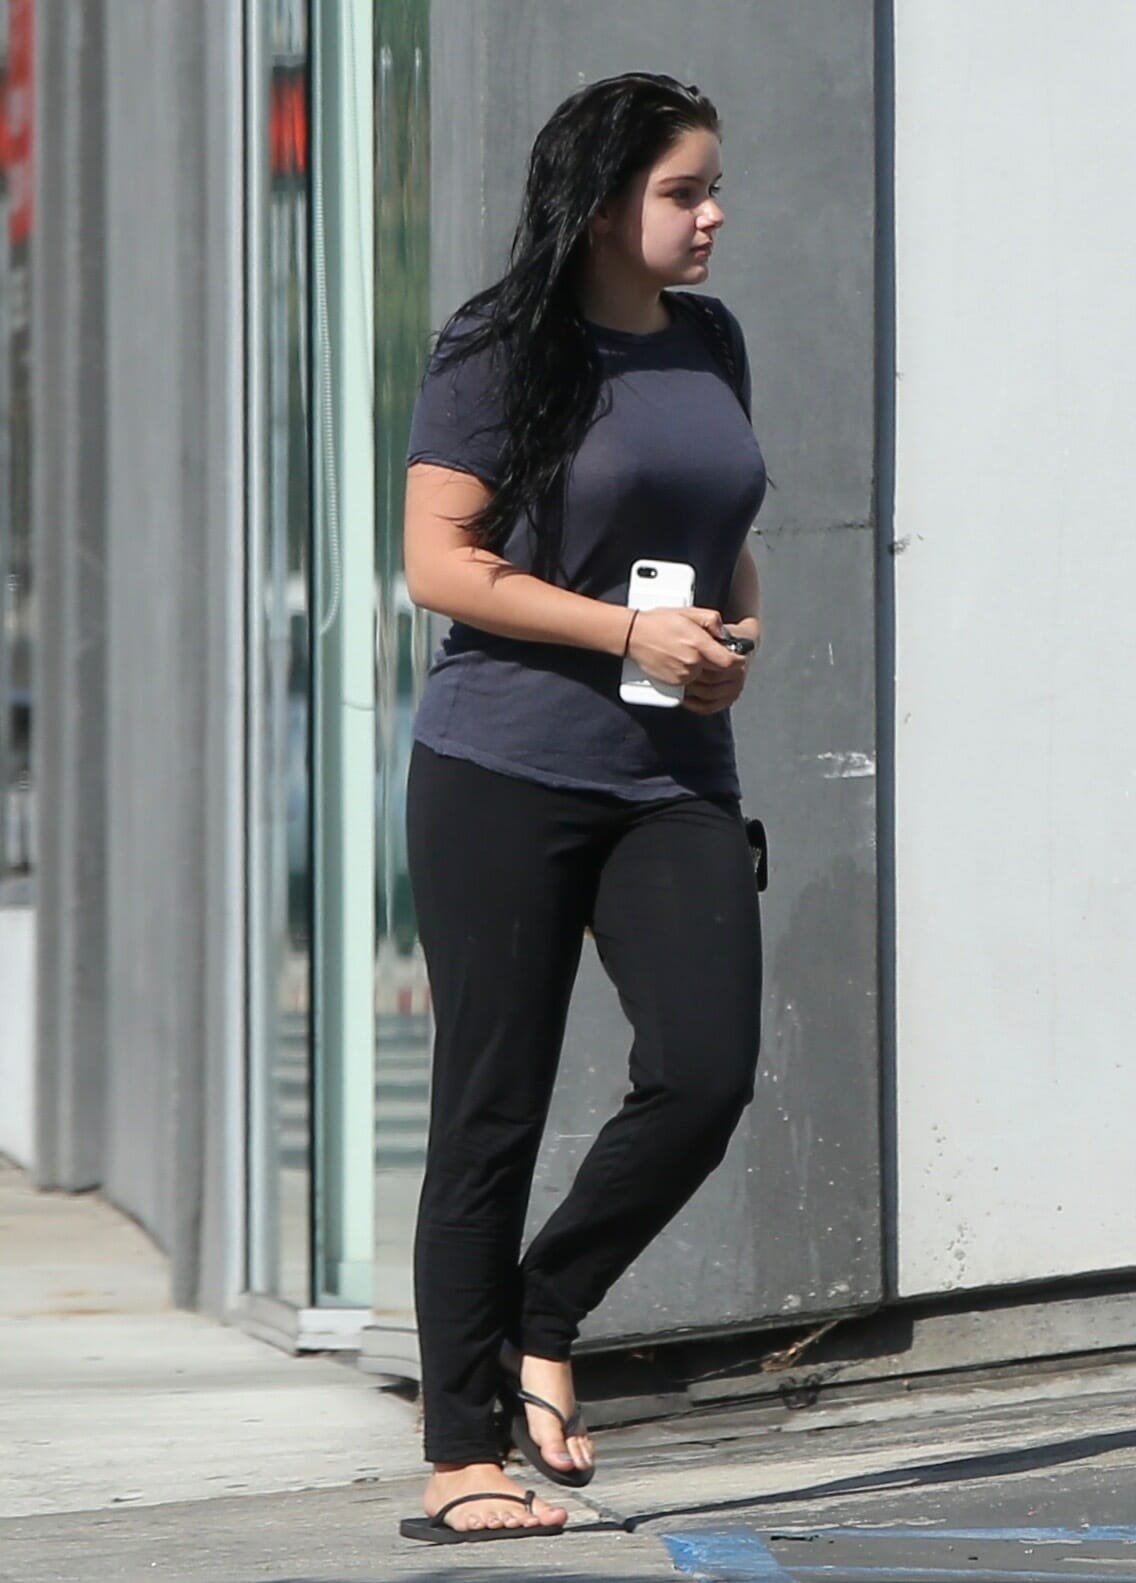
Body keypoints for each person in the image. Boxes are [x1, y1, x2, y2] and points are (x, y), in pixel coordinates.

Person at [397, 71, 767, 1545]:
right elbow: (441, 565)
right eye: (684, 192)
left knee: (706, 1072)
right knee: (490, 1109)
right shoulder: (501, 346)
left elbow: (725, 527)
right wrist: (625, 632)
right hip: (503, 770)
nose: (712, 215)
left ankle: (543, 1312)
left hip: (673, 774)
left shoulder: (711, 341)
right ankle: (460, 1455)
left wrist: (733, 642)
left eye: (712, 187)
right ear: (607, 204)